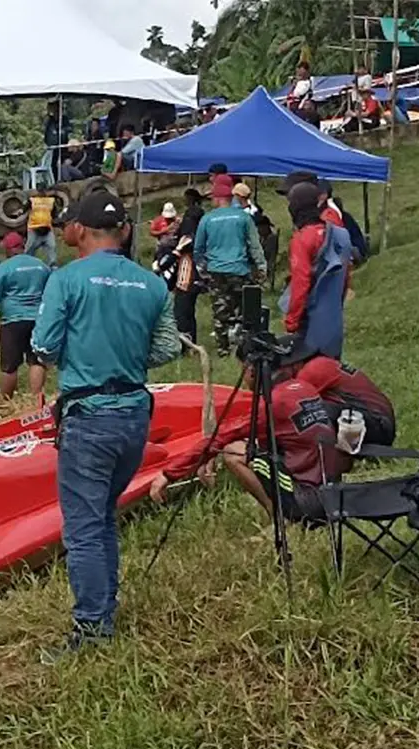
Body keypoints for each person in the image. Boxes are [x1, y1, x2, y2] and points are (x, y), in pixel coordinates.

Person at [30, 190, 181, 658]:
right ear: (124, 232)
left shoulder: (66, 280)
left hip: (88, 414)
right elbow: (168, 348)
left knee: (83, 527)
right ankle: (104, 609)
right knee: (102, 518)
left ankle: (92, 627)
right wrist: (129, 355)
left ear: (82, 231)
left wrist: (79, 356)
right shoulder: (151, 285)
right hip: (135, 414)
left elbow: (45, 343)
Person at [150, 341, 347, 526]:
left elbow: (220, 437)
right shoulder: (304, 387)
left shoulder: (272, 404)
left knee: (231, 452)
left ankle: (280, 519)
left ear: (251, 370)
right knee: (247, 446)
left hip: (308, 502)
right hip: (334, 493)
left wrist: (168, 474)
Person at [194, 174, 267, 357]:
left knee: (220, 313)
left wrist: (203, 270)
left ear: (218, 199)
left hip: (216, 271)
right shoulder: (243, 217)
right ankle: (246, 348)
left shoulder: (207, 219)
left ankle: (223, 349)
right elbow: (254, 245)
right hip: (240, 270)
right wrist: (261, 266)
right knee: (245, 311)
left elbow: (198, 249)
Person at [283, 182, 350, 359]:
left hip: (310, 321)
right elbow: (346, 276)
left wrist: (292, 321)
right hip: (333, 316)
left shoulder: (302, 239)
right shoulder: (340, 234)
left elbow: (301, 282)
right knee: (331, 369)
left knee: (310, 373)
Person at [0, 235, 51, 399]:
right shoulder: (41, 266)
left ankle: (5, 403)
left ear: (8, 249)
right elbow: (50, 292)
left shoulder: (3, 269)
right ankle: (36, 402)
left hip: (12, 321)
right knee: (36, 361)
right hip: (38, 320)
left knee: (9, 366)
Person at [283, 349, 396, 447]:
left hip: (378, 426)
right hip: (377, 422)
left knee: (308, 411)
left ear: (294, 363)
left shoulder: (314, 369)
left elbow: (290, 403)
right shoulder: (323, 362)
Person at [170, 188, 206, 343]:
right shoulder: (202, 217)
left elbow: (187, 238)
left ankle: (185, 341)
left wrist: (176, 250)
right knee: (187, 308)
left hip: (188, 263)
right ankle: (190, 340)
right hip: (197, 264)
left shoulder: (191, 216)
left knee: (182, 306)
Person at [26, 190, 58, 266]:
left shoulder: (50, 201)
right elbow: (25, 208)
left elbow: (54, 213)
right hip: (34, 228)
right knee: (30, 247)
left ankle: (52, 264)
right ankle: (27, 262)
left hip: (46, 228)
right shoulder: (33, 200)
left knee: (51, 246)